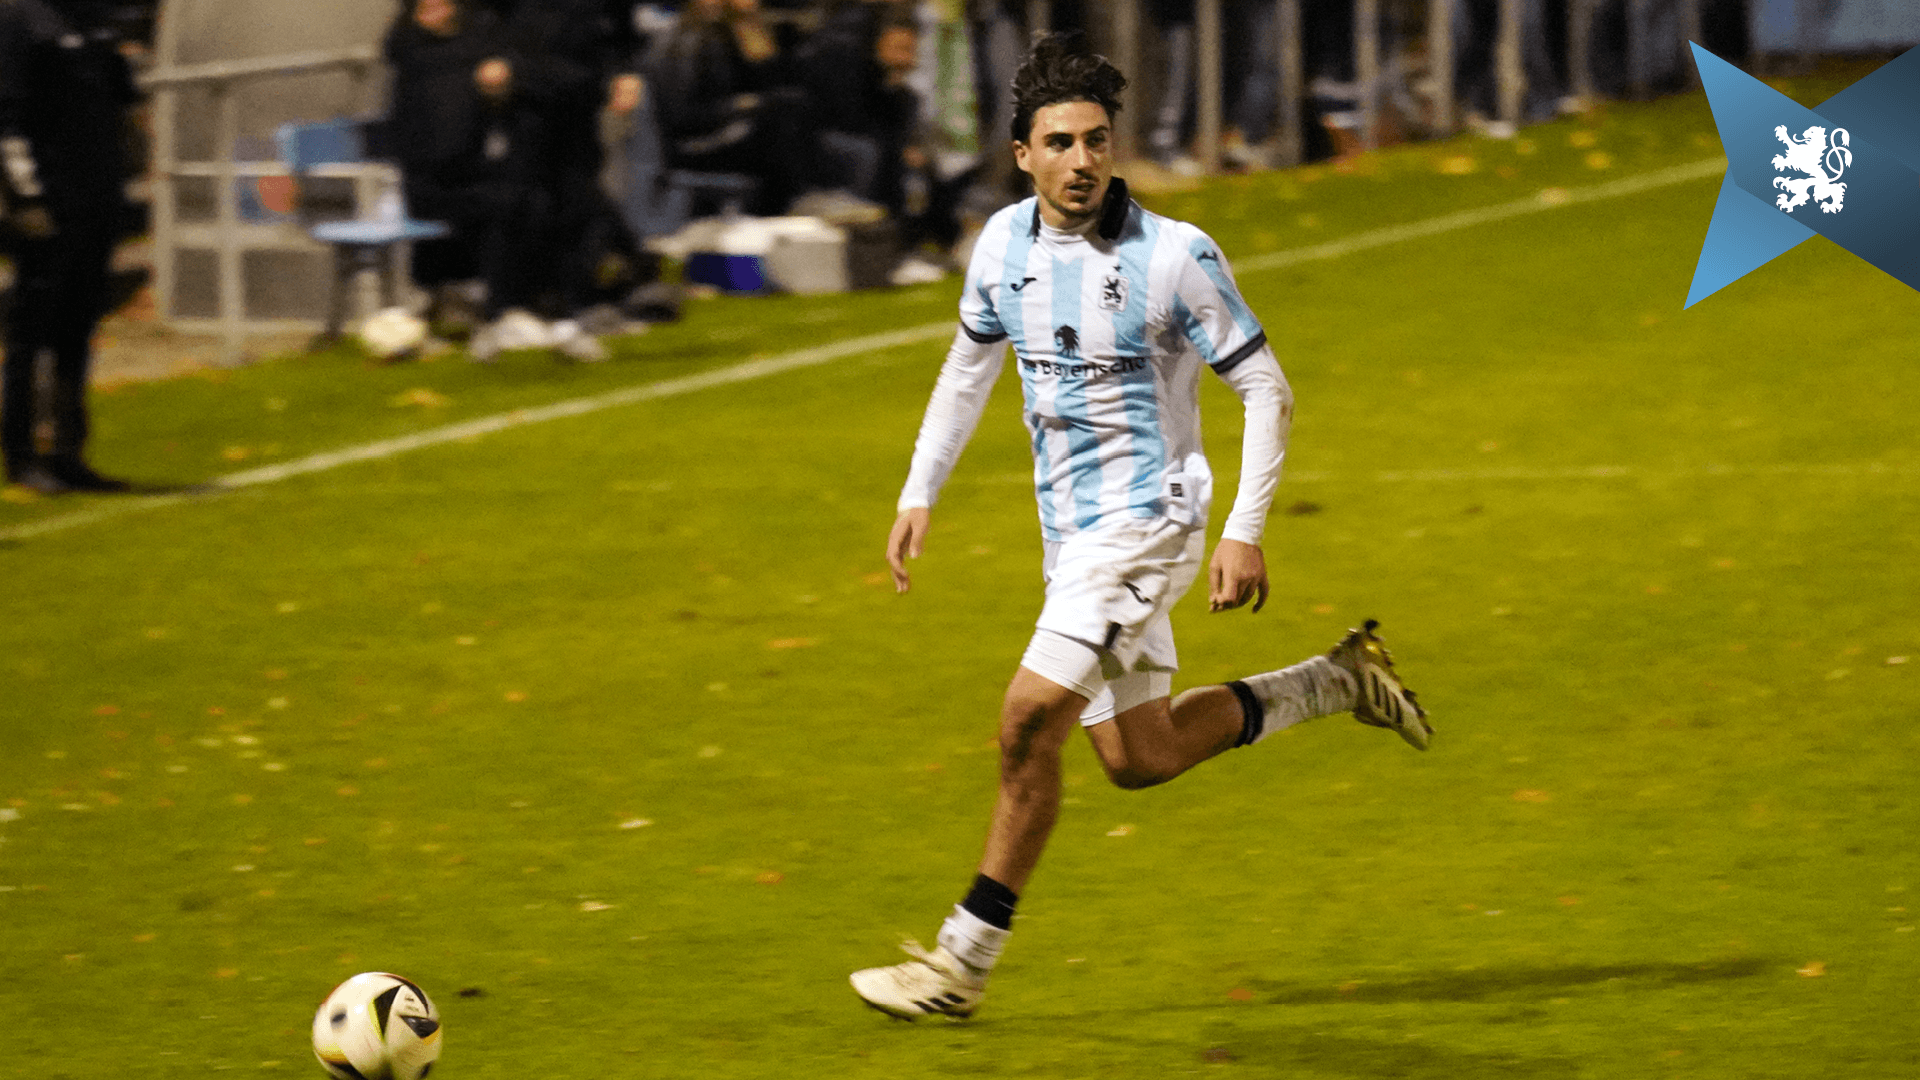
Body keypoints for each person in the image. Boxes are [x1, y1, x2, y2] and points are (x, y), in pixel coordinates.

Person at [849, 31, 1431, 1021]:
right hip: (1071, 539)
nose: (1081, 160)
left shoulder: (1174, 258)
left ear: (1113, 147)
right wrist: (919, 491)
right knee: (1138, 756)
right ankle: (1338, 679)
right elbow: (965, 370)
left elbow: (1266, 388)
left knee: (1026, 719)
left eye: (1097, 140)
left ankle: (960, 963)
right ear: (1023, 154)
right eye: (1061, 142)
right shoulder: (1000, 247)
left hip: (1149, 522)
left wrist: (1242, 529)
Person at [0, 0, 140, 493]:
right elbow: (7, 117)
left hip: (97, 195)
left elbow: (122, 97)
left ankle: (68, 448)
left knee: (78, 327)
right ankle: (21, 453)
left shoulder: (92, 18)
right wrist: (24, 196)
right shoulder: (21, 18)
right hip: (51, 199)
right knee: (30, 330)